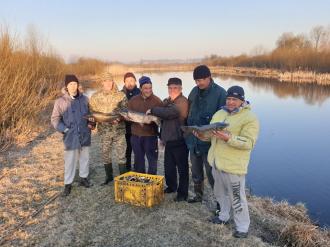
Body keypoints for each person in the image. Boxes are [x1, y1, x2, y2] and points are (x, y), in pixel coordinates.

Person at [195, 85, 259, 238]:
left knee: (237, 198)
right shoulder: (219, 113)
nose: (230, 102)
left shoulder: (250, 118)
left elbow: (249, 143)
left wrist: (229, 138)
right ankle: (223, 216)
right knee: (220, 194)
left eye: (234, 99)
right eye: (229, 99)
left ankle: (242, 227)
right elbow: (211, 136)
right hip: (216, 164)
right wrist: (202, 136)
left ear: (242, 101)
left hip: (233, 167)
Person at [185, 65, 227, 204]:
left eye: (202, 79)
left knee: (212, 175)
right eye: (197, 80)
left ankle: (220, 205)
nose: (199, 83)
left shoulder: (221, 93)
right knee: (196, 172)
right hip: (194, 141)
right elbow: (188, 111)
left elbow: (225, 121)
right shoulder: (194, 91)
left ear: (209, 77)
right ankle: (198, 196)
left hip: (210, 145)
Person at [148, 77, 189, 201]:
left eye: (175, 88)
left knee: (182, 169)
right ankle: (172, 186)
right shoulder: (168, 101)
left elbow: (170, 113)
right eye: (170, 88)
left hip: (180, 140)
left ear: (181, 88)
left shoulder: (182, 101)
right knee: (168, 167)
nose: (172, 90)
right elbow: (163, 119)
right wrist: (161, 137)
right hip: (168, 140)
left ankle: (182, 194)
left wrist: (153, 110)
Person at [51, 74, 92, 196]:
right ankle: (68, 184)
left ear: (78, 85)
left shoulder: (85, 99)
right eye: (71, 84)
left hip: (85, 133)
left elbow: (91, 114)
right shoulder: (60, 102)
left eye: (75, 84)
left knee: (85, 158)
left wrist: (91, 124)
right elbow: (55, 119)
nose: (73, 87)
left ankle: (83, 178)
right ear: (66, 87)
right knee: (70, 160)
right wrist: (65, 130)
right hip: (71, 136)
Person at [89, 72, 128, 185]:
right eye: (105, 81)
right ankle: (109, 176)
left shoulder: (121, 95)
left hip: (119, 130)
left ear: (113, 81)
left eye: (110, 81)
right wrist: (92, 124)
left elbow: (126, 112)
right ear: (102, 82)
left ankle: (123, 177)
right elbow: (92, 113)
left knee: (121, 155)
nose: (108, 83)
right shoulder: (95, 96)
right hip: (104, 131)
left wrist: (119, 119)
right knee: (106, 155)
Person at [127, 76, 163, 174]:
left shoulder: (157, 101)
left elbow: (162, 117)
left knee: (152, 160)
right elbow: (128, 117)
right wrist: (127, 118)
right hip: (136, 136)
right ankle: (140, 180)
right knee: (138, 160)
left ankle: (152, 181)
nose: (148, 90)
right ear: (140, 88)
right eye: (146, 88)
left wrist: (154, 121)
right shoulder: (133, 100)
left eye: (150, 88)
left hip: (150, 136)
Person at [121, 72, 141, 171]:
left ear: (135, 81)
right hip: (125, 129)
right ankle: (127, 169)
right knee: (127, 150)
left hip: (138, 128)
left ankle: (138, 169)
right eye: (127, 81)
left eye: (132, 80)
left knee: (138, 151)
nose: (130, 83)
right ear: (124, 82)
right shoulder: (120, 94)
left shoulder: (140, 92)